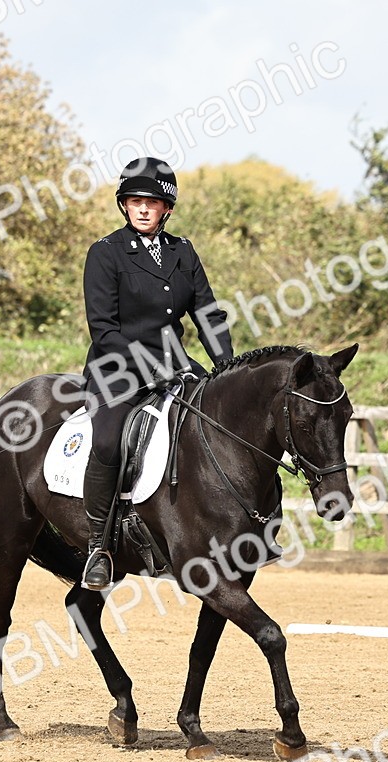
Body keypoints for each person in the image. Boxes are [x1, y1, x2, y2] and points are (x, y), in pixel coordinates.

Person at [80, 156, 234, 590]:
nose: (143, 209)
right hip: (117, 370)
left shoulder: (182, 252)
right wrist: (151, 368)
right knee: (108, 441)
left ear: (166, 208)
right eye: (135, 201)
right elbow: (103, 329)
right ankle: (98, 547)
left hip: (176, 365)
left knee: (219, 423)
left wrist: (226, 367)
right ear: (124, 205)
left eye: (151, 202)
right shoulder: (106, 252)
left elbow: (207, 313)